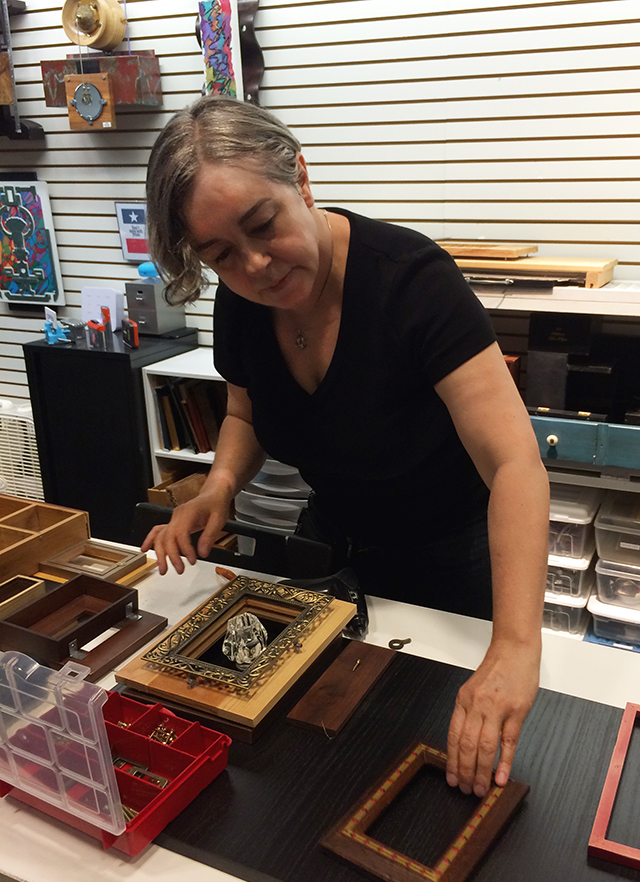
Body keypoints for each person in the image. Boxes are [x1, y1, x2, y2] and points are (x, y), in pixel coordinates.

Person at [142, 95, 549, 799]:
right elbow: (245, 410)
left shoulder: (413, 282)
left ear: (300, 178)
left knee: (447, 770)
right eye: (221, 255)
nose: (256, 264)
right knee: (316, 766)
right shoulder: (242, 302)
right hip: (332, 553)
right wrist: (220, 486)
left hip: (450, 562)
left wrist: (515, 648)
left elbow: (514, 463)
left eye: (263, 224)